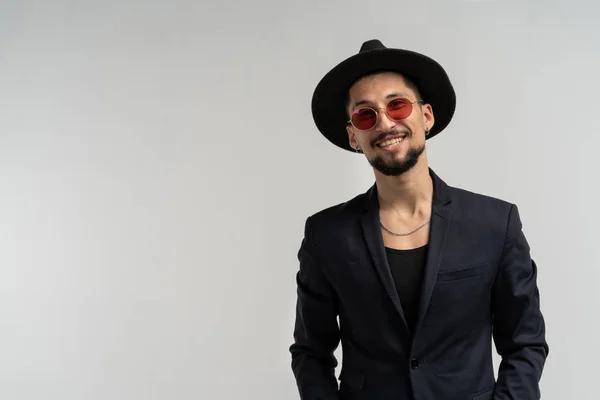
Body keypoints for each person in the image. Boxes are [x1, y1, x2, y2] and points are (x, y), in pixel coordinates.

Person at [289, 39, 548, 400]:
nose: (384, 123)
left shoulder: (494, 223)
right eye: (366, 114)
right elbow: (310, 354)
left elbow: (525, 343)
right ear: (353, 135)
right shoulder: (325, 234)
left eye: (397, 105)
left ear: (426, 115)